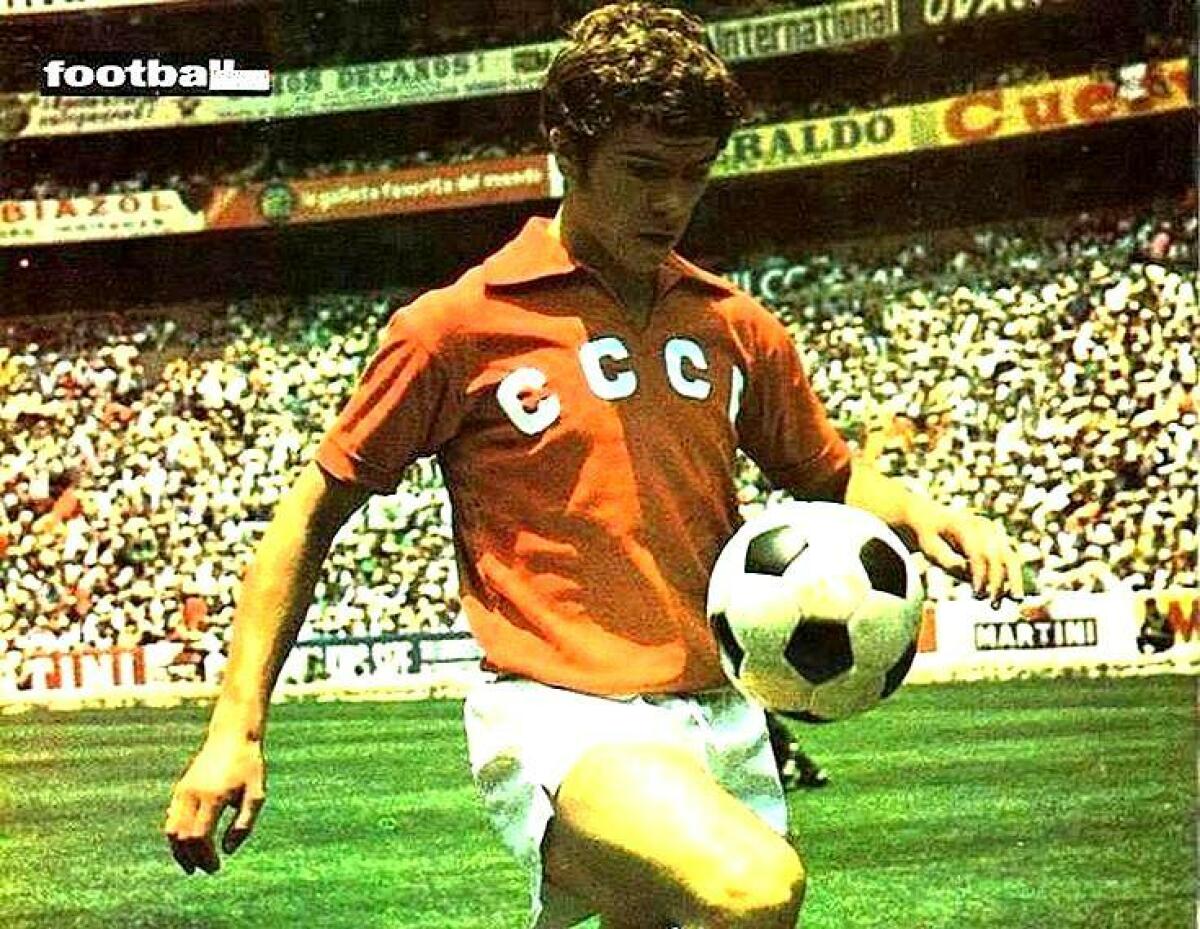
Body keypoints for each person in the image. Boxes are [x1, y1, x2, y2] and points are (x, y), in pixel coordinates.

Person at [164, 6, 1026, 928]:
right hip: (562, 717)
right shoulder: (454, 328)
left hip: (722, 713)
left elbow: (829, 475)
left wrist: (924, 514)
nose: (671, 203)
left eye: (694, 174)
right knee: (752, 887)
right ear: (568, 153)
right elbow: (308, 518)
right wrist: (235, 731)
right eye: (644, 171)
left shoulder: (736, 327)